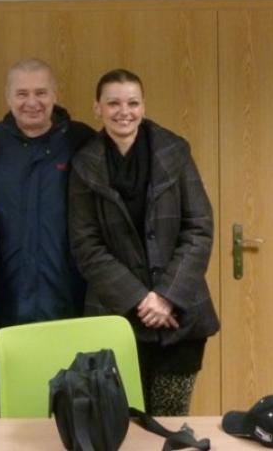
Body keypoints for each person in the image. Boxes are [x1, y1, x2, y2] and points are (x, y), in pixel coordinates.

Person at [68, 68, 219, 416]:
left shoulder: (175, 152)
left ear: (144, 106)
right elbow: (86, 245)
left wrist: (165, 297)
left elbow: (199, 228)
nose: (124, 112)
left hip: (179, 316)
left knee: (170, 421)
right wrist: (140, 299)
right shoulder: (84, 164)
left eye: (133, 103)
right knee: (123, 420)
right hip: (117, 314)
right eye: (113, 103)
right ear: (97, 108)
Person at [0, 58, 94, 329]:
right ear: (8, 97)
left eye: (41, 93)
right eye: (22, 94)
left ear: (55, 95)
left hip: (69, 296)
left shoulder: (82, 140)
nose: (32, 102)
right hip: (2, 297)